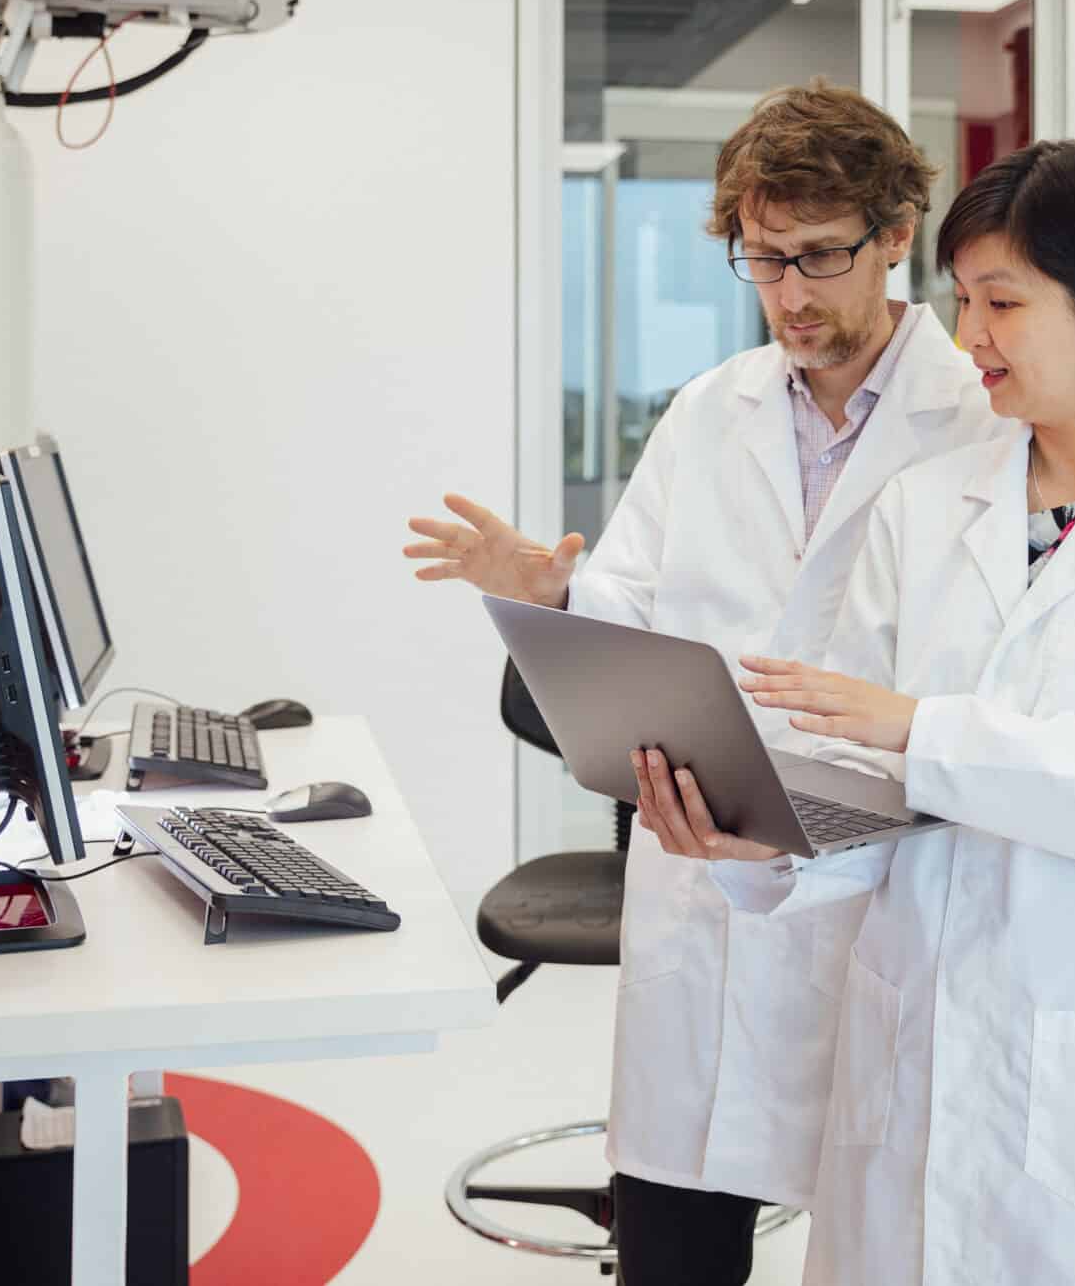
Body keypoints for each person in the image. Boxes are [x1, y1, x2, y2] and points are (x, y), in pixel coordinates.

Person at [639, 137, 1075, 1285]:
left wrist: (922, 729)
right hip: (918, 1048)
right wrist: (757, 842)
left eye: (1002, 302)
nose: (968, 340)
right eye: (962, 301)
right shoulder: (923, 506)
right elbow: (853, 787)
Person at [404, 82, 999, 1284]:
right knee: (674, 1238)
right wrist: (550, 600)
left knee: (883, 1234)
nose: (786, 295)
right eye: (760, 260)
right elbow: (626, 626)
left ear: (896, 237)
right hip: (695, 877)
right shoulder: (704, 414)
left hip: (881, 888)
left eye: (819, 258)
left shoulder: (979, 421)